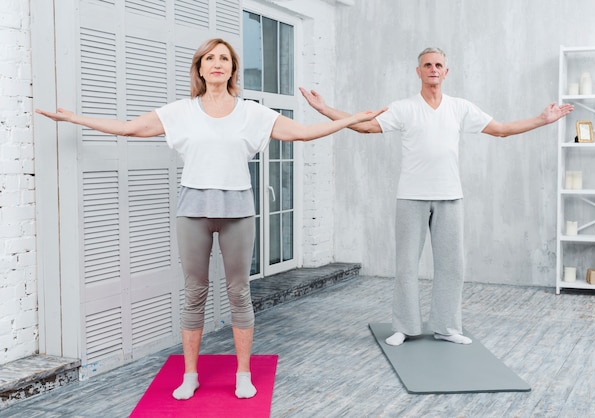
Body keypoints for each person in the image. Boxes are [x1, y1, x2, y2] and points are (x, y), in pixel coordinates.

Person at [37, 38, 385, 400]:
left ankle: (243, 374)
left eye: (224, 58)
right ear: (200, 68)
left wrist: (351, 120)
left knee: (239, 293)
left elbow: (303, 133)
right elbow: (128, 128)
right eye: (209, 58)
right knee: (194, 294)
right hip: (192, 212)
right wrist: (74, 118)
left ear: (233, 69)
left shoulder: (253, 113)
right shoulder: (180, 112)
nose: (217, 63)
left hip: (238, 212)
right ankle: (190, 375)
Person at [300, 47, 573, 347]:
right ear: (418, 71)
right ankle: (404, 327)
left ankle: (447, 327)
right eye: (427, 64)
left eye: (438, 64)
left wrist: (542, 119)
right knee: (406, 264)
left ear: (446, 72)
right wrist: (326, 110)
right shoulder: (404, 107)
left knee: (452, 265)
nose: (433, 68)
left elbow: (502, 130)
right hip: (411, 196)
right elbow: (365, 126)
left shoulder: (460, 108)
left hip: (449, 196)